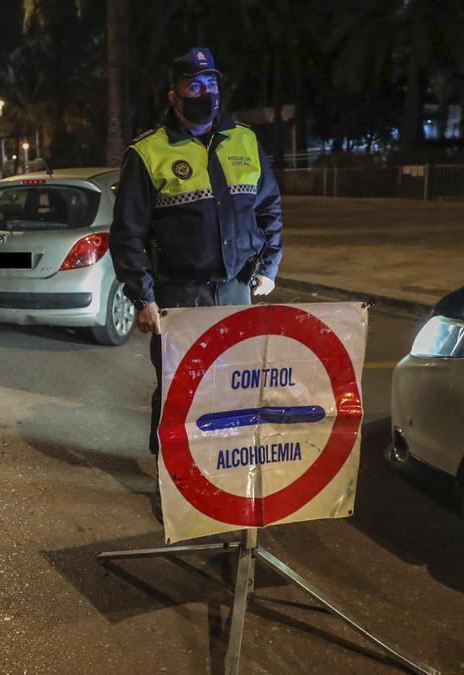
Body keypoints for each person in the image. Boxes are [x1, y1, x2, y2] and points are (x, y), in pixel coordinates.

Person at [110, 46, 283, 455]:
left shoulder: (244, 140)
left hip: (237, 292)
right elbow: (127, 234)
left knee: (234, 386)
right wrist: (143, 297)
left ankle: (223, 473)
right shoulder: (148, 153)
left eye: (211, 83)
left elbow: (268, 208)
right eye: (194, 84)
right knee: (178, 391)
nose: (205, 91)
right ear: (174, 94)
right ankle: (173, 487)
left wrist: (270, 265)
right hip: (179, 296)